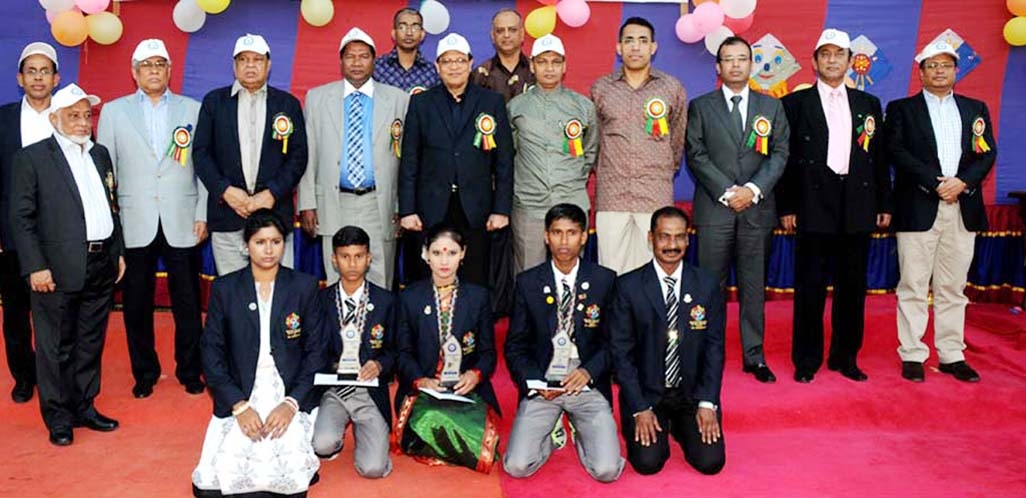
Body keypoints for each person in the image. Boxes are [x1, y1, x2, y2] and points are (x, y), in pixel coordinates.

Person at [9, 83, 125, 446]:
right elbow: (21, 218)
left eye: (86, 115)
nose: (82, 122)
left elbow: (112, 205)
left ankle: (84, 406)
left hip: (101, 262)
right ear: (54, 119)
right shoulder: (32, 158)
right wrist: (35, 267)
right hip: (55, 269)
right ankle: (58, 417)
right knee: (55, 345)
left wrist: (118, 251)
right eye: (73, 115)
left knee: (90, 341)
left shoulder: (100, 154)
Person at [776, 29, 891, 384]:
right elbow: (785, 160)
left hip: (857, 203)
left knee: (852, 288)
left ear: (849, 61)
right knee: (809, 287)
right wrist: (787, 206)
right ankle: (806, 359)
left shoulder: (868, 103)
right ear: (814, 61)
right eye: (825, 54)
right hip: (812, 204)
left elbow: (879, 157)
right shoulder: (794, 104)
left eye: (839, 54)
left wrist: (883, 202)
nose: (832, 60)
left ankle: (845, 357)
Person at [96, 39, 208, 398]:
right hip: (134, 221)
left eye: (160, 64)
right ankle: (144, 372)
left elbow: (204, 167)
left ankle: (190, 370)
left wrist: (203, 213)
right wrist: (112, 224)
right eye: (147, 65)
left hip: (183, 218)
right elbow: (106, 172)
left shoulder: (193, 109)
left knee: (188, 301)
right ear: (134, 72)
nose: (154, 70)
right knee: (136, 302)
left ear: (170, 70)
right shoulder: (114, 112)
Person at [192, 209, 323, 497]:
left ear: (284, 244)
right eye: (260, 242)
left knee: (290, 484)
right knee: (211, 486)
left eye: (276, 242)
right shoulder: (225, 288)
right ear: (246, 245)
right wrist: (238, 405)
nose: (268, 250)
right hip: (241, 387)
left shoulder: (304, 286)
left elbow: (316, 353)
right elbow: (211, 352)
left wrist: (291, 403)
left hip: (288, 388)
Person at [886, 41, 996, 383]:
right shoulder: (902, 109)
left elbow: (987, 153)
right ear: (920, 73)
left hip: (962, 206)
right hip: (918, 205)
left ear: (956, 71)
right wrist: (935, 183)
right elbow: (896, 151)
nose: (939, 71)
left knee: (953, 286)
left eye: (945, 65)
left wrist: (962, 182)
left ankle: (951, 354)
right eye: (931, 65)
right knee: (913, 284)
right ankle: (912, 353)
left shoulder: (975, 108)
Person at [685, 36, 789, 383]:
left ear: (751, 64)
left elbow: (780, 153)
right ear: (718, 67)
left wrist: (753, 191)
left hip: (757, 210)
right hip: (715, 209)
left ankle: (754, 355)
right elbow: (695, 153)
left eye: (742, 58)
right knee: (709, 287)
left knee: (753, 286)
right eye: (728, 59)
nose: (735, 65)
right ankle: (706, 353)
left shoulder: (771, 106)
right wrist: (728, 192)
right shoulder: (701, 106)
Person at [503, 204, 623, 482]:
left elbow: (615, 341)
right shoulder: (528, 282)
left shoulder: (604, 280)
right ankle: (549, 431)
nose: (564, 241)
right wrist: (534, 381)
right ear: (546, 237)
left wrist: (589, 371)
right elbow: (515, 345)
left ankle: (581, 433)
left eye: (572, 233)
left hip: (586, 378)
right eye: (557, 233)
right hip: (544, 377)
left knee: (607, 471)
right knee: (517, 466)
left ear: (584, 237)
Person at [608, 206, 726, 476]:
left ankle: (681, 427)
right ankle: (661, 425)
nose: (672, 245)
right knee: (648, 463)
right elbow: (621, 354)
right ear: (651, 238)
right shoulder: (628, 287)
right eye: (664, 236)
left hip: (691, 395)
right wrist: (639, 407)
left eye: (679, 237)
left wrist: (707, 403)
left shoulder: (707, 285)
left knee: (710, 463)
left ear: (688, 238)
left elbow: (714, 348)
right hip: (647, 394)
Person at [398, 33, 513, 287]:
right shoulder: (420, 103)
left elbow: (504, 161)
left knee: (474, 278)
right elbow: (409, 160)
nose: (454, 67)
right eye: (447, 61)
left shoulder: (491, 102)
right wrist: (407, 210)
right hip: (430, 208)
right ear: (437, 66)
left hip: (476, 209)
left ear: (470, 63)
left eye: (460, 60)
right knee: (427, 278)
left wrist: (501, 209)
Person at [299, 28, 409, 289]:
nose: (356, 62)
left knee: (380, 279)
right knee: (337, 278)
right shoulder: (317, 98)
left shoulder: (398, 99)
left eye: (363, 56)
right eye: (350, 56)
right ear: (341, 61)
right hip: (334, 201)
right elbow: (308, 153)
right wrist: (307, 203)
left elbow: (407, 158)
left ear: (374, 60)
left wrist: (402, 205)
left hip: (379, 204)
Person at [194, 33, 308, 276]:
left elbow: (298, 157)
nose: (250, 65)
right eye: (243, 60)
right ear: (234, 65)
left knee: (278, 290)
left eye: (257, 59)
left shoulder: (287, 104)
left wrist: (272, 193)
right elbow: (201, 154)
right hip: (228, 215)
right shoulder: (214, 102)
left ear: (268, 65)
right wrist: (226, 191)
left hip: (274, 216)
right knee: (233, 291)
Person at [392, 224, 500, 473]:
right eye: (437, 253)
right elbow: (402, 353)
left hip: (465, 389)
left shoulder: (478, 297)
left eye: (451, 253)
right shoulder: (410, 297)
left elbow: (488, 353)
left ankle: (445, 446)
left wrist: (475, 375)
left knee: (477, 430)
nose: (444, 261)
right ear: (425, 254)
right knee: (431, 417)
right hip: (424, 390)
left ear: (463, 254)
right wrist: (421, 380)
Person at [590, 17, 687, 275]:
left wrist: (661, 169)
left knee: (651, 273)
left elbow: (677, 141)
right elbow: (594, 141)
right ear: (619, 47)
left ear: (653, 47)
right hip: (612, 195)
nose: (635, 47)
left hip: (654, 194)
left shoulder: (671, 87)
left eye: (643, 41)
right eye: (629, 40)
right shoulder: (601, 88)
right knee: (610, 272)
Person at [0, 42, 60, 404]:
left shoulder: (70, 115)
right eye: (31, 71)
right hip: (13, 233)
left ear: (56, 78)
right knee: (16, 311)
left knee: (58, 312)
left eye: (45, 71)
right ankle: (24, 376)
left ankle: (57, 375)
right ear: (20, 79)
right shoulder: (3, 119)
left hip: (61, 234)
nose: (38, 78)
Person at [507, 34, 597, 274]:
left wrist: (572, 179)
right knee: (528, 273)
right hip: (529, 203)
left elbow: (590, 152)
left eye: (556, 62)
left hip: (571, 200)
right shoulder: (516, 107)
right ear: (532, 65)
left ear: (564, 66)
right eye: (542, 62)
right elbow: (510, 153)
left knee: (573, 271)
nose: (549, 68)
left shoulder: (583, 107)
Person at [311, 226, 395, 479]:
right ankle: (335, 437)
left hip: (369, 390)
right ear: (334, 260)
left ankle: (367, 432)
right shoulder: (319, 301)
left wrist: (379, 365)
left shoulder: (386, 301)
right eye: (345, 256)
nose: (352, 263)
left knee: (373, 469)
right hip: (334, 389)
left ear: (369, 258)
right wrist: (331, 365)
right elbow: (311, 348)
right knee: (321, 445)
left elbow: (396, 349)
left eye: (359, 256)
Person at [471, 8, 534, 102]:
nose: (506, 35)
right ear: (493, 36)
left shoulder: (535, 71)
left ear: (522, 34)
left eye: (512, 30)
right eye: (500, 31)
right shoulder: (480, 75)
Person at [373, 7, 440, 94]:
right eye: (402, 27)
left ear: (422, 34)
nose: (409, 33)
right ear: (394, 33)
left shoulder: (431, 71)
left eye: (415, 27)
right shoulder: (377, 67)